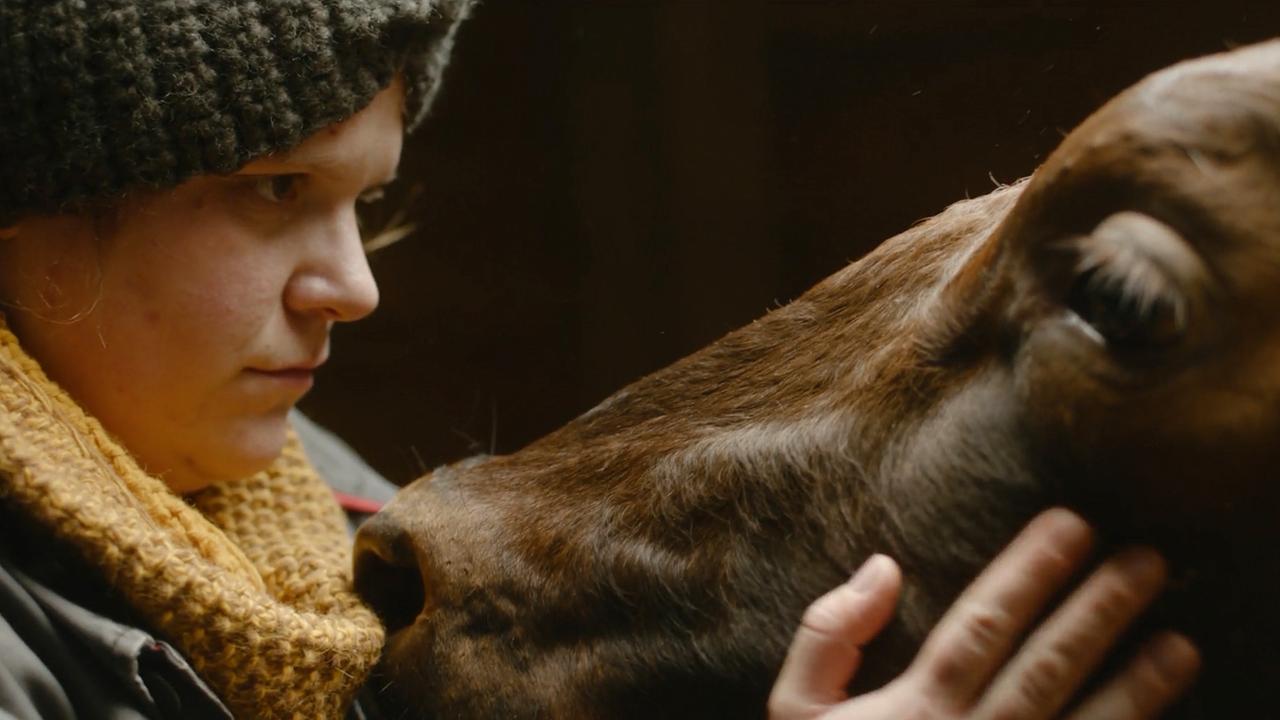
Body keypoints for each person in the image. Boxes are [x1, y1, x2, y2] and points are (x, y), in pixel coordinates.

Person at [0, 2, 1198, 719]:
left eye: (364, 202)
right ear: (33, 203)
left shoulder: (319, 515)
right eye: (273, 189)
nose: (355, 288)